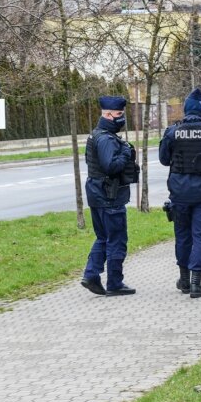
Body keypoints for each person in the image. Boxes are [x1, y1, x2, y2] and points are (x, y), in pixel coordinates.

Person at [159, 88, 201, 298]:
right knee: (200, 236)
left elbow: (163, 159)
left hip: (179, 193)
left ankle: (184, 280)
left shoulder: (172, 132)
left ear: (185, 110)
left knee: (182, 236)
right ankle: (196, 284)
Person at [80, 95, 139, 296]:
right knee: (116, 239)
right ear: (108, 114)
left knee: (103, 237)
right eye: (119, 114)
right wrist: (126, 153)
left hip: (99, 194)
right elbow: (110, 166)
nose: (122, 118)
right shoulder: (105, 138)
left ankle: (91, 275)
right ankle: (114, 282)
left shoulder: (98, 134)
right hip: (109, 196)